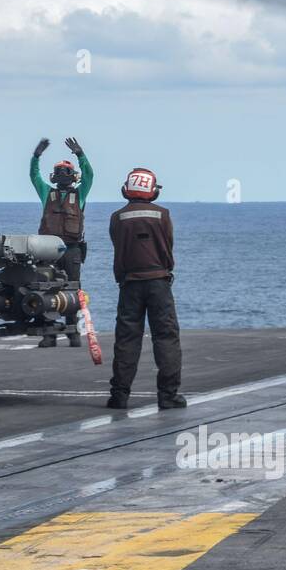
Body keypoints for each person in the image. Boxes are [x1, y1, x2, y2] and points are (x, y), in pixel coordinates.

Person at [107, 167, 185, 410]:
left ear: (126, 190)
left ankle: (119, 396)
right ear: (153, 191)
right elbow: (167, 247)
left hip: (129, 283)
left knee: (127, 339)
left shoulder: (117, 217)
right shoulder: (163, 215)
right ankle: (168, 395)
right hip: (159, 282)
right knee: (166, 337)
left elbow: (118, 247)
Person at [30, 136, 93, 347]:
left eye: (65, 171)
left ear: (73, 176)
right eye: (59, 171)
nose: (62, 174)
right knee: (47, 289)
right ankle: (49, 334)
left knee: (73, 290)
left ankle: (73, 332)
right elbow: (34, 175)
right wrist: (36, 156)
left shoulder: (80, 194)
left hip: (72, 249)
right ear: (54, 176)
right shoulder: (47, 192)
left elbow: (90, 176)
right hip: (48, 250)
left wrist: (80, 154)